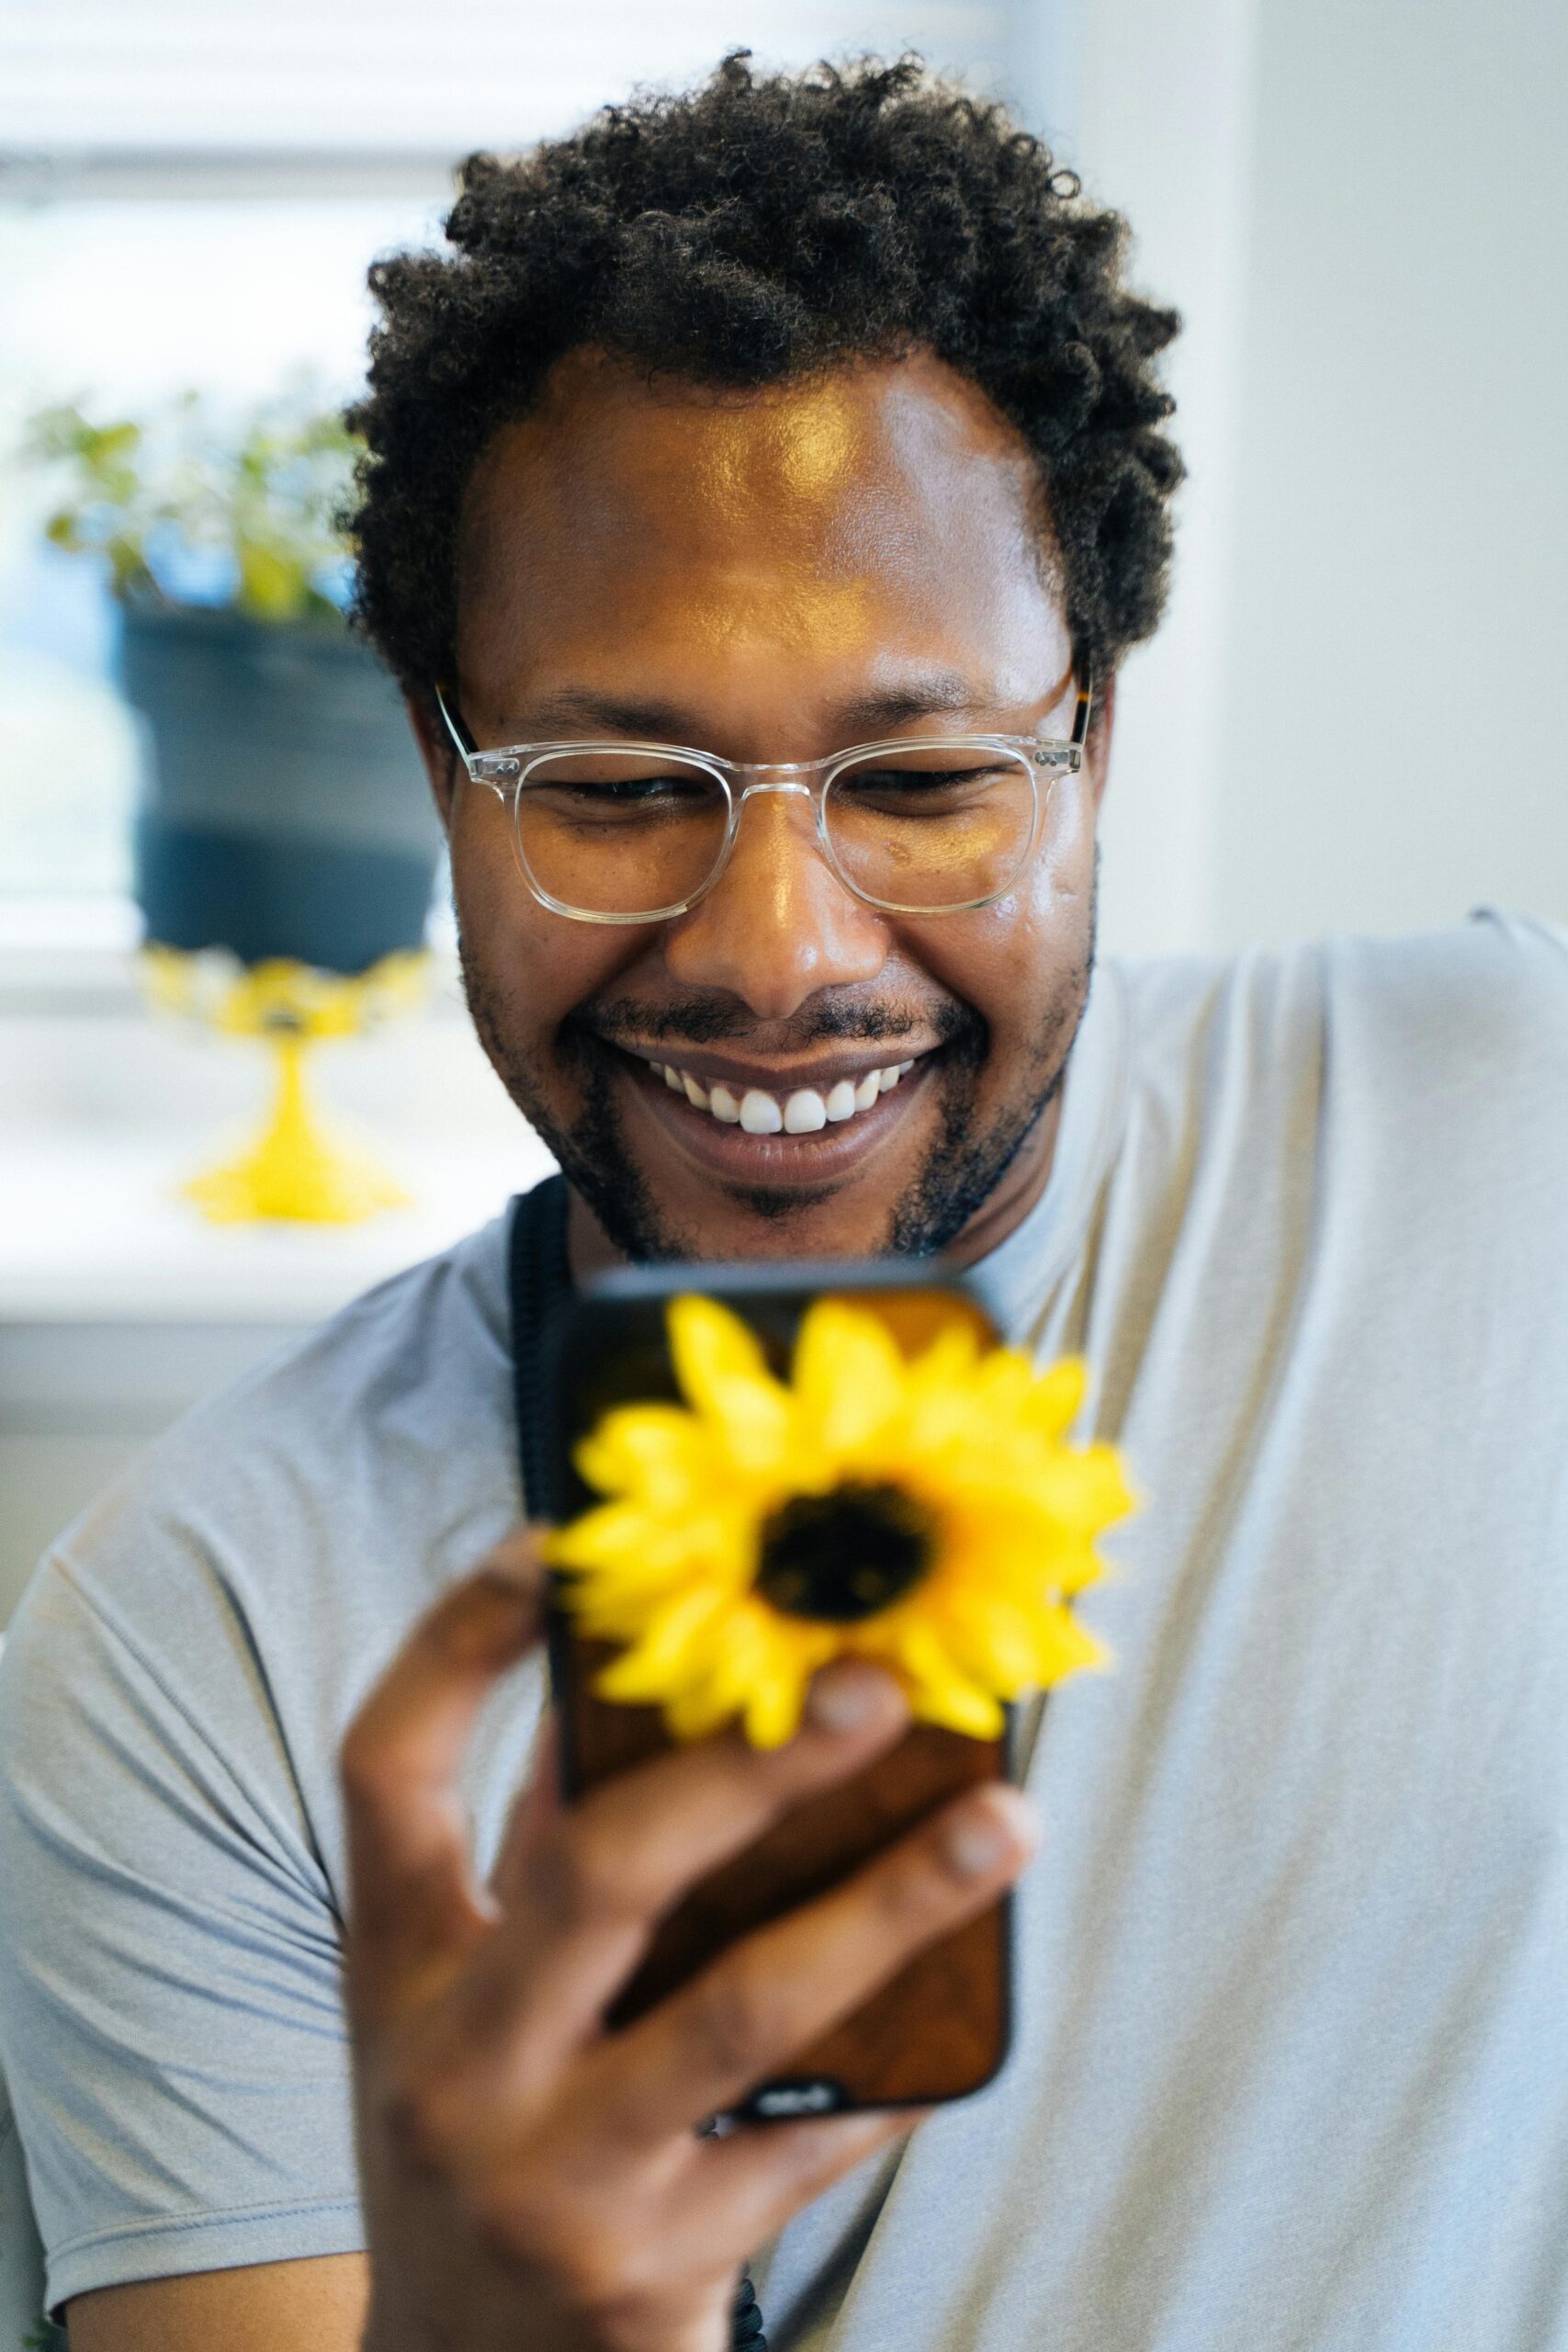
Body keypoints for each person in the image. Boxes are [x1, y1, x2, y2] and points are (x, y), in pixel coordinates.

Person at [3, 50, 1565, 2352]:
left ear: (1091, 738)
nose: (776, 951)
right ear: (442, 770)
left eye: (921, 776)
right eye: (618, 783)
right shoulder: (196, 1646)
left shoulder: (1500, 1126)